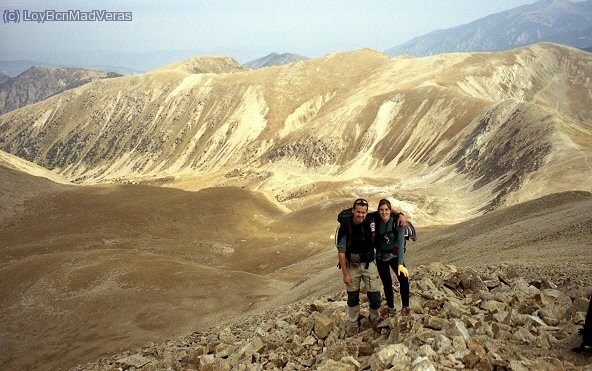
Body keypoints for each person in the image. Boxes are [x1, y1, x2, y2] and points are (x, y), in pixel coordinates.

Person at [336, 198, 382, 336]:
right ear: (353, 211)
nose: (360, 215)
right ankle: (353, 322)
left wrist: (401, 215)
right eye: (358, 212)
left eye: (363, 212)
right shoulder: (345, 226)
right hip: (352, 266)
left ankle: (375, 318)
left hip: (369, 264)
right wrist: (346, 274)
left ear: (367, 212)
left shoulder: (371, 220)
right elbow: (341, 252)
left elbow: (387, 211)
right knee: (353, 296)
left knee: (375, 296)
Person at [371, 198, 411, 317]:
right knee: (386, 282)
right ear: (378, 211)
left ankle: (406, 307)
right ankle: (391, 307)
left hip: (395, 255)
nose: (384, 212)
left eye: (387, 210)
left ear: (390, 210)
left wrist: (400, 264)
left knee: (403, 279)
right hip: (380, 256)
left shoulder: (397, 222)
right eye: (381, 210)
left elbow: (400, 242)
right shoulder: (375, 221)